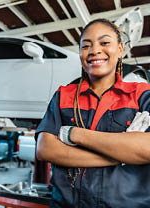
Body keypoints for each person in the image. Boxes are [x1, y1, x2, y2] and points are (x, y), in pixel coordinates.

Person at [35, 18, 150, 208]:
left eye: (105, 43)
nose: (95, 50)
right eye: (86, 45)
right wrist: (121, 155)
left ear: (120, 49)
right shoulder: (64, 95)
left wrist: (74, 134)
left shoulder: (142, 94)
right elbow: (45, 149)